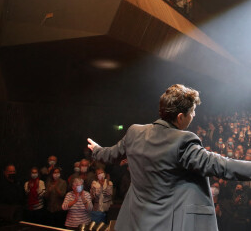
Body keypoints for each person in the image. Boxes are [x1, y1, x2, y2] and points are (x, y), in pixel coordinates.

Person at [87, 84, 251, 231]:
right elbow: (220, 165)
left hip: (135, 223)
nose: (193, 115)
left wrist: (97, 150)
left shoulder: (134, 132)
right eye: (192, 112)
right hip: (167, 224)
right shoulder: (183, 141)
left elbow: (110, 155)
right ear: (180, 117)